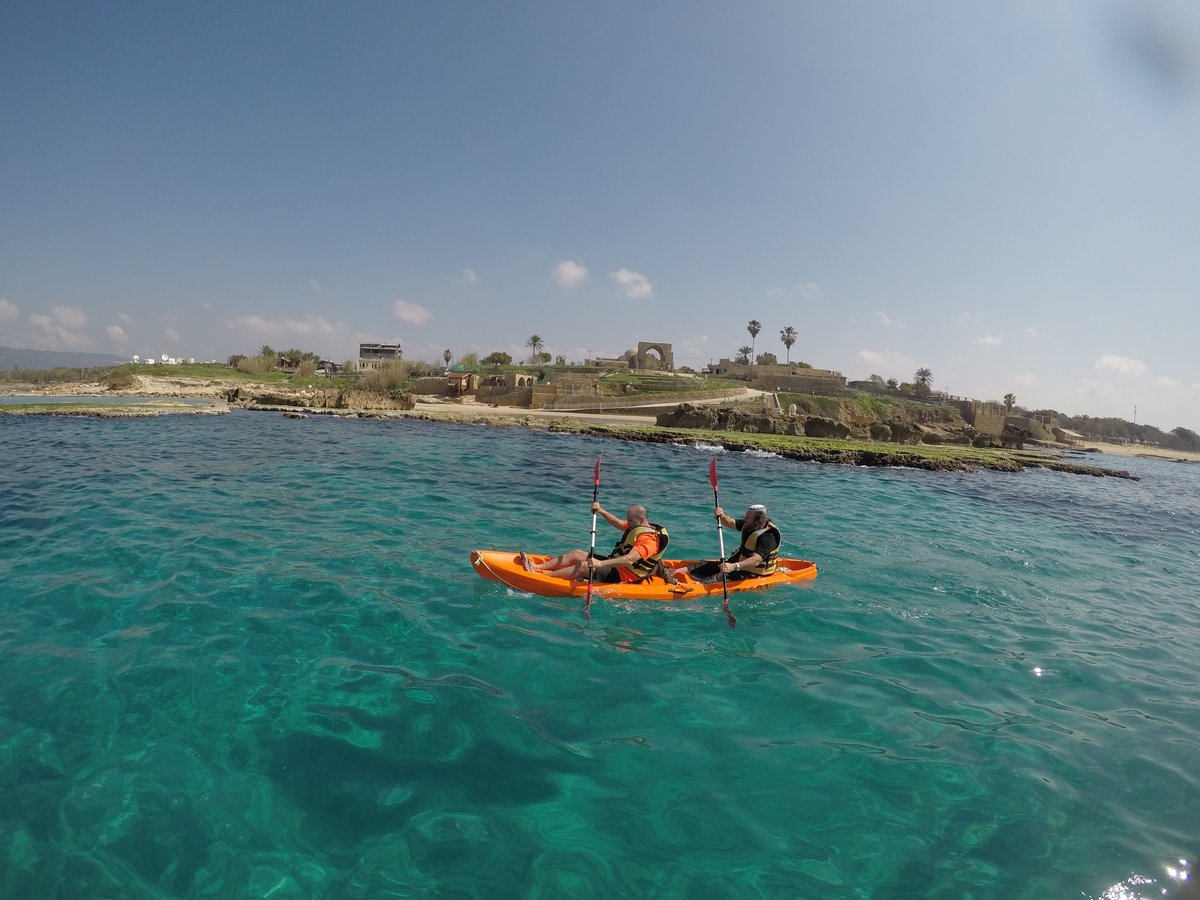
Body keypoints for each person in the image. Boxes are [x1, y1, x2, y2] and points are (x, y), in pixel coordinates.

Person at [522, 502, 669, 583]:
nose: (627, 523)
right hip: (616, 565)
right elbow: (617, 523)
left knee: (584, 566)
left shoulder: (650, 540)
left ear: (641, 520)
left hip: (627, 575)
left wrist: (600, 564)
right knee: (577, 554)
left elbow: (629, 560)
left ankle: (540, 578)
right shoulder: (638, 527)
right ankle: (536, 566)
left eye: (630, 521)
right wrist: (601, 511)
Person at [671, 503, 780, 583]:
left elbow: (756, 560)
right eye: (746, 516)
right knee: (700, 567)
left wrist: (734, 566)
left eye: (748, 517)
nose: (745, 519)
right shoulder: (751, 524)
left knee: (711, 580)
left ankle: (692, 586)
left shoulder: (768, 536)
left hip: (752, 572)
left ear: (759, 520)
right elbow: (731, 523)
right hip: (736, 564)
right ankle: (671, 574)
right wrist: (721, 516)